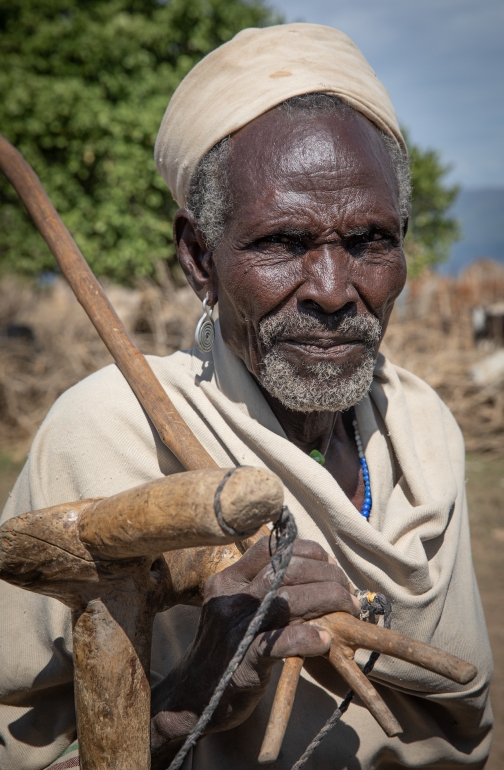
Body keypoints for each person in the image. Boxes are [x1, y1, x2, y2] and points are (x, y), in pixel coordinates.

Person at [0, 23, 492, 770]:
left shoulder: (423, 429)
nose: (333, 292)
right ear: (200, 258)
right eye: (283, 244)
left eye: (368, 241)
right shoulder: (102, 435)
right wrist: (181, 705)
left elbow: (464, 726)